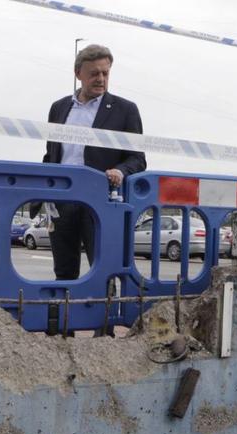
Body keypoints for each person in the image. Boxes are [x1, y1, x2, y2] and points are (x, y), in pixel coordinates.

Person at [40, 44, 146, 281]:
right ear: (78, 74)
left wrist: (120, 170)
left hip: (100, 200)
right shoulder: (58, 108)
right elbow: (51, 155)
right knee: (64, 273)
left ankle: (103, 319)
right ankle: (66, 317)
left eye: (105, 73)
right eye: (94, 73)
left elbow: (138, 159)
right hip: (62, 199)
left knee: (103, 274)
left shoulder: (126, 110)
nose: (100, 79)